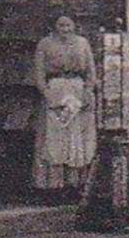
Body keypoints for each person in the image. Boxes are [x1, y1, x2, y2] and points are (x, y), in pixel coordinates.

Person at [31, 15, 98, 201]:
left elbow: (91, 71)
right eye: (61, 25)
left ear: (74, 25)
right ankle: (53, 187)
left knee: (78, 138)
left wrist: (87, 92)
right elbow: (38, 72)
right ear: (54, 26)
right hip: (56, 91)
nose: (65, 29)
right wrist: (46, 93)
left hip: (77, 91)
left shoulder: (82, 43)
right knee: (55, 138)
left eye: (68, 25)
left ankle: (76, 185)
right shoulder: (45, 44)